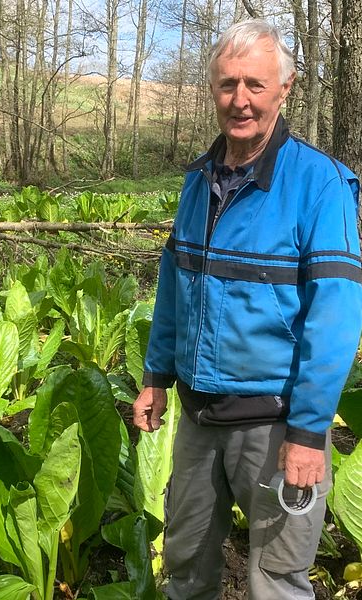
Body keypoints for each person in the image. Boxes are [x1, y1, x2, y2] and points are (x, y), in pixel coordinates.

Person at [133, 19, 362, 600]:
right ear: (212, 89)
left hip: (276, 424)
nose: (241, 101)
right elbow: (173, 288)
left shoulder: (321, 185)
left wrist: (310, 433)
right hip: (197, 419)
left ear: (284, 91)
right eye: (228, 84)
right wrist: (156, 377)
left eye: (256, 85)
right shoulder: (197, 182)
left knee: (276, 580)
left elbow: (334, 319)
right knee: (184, 568)